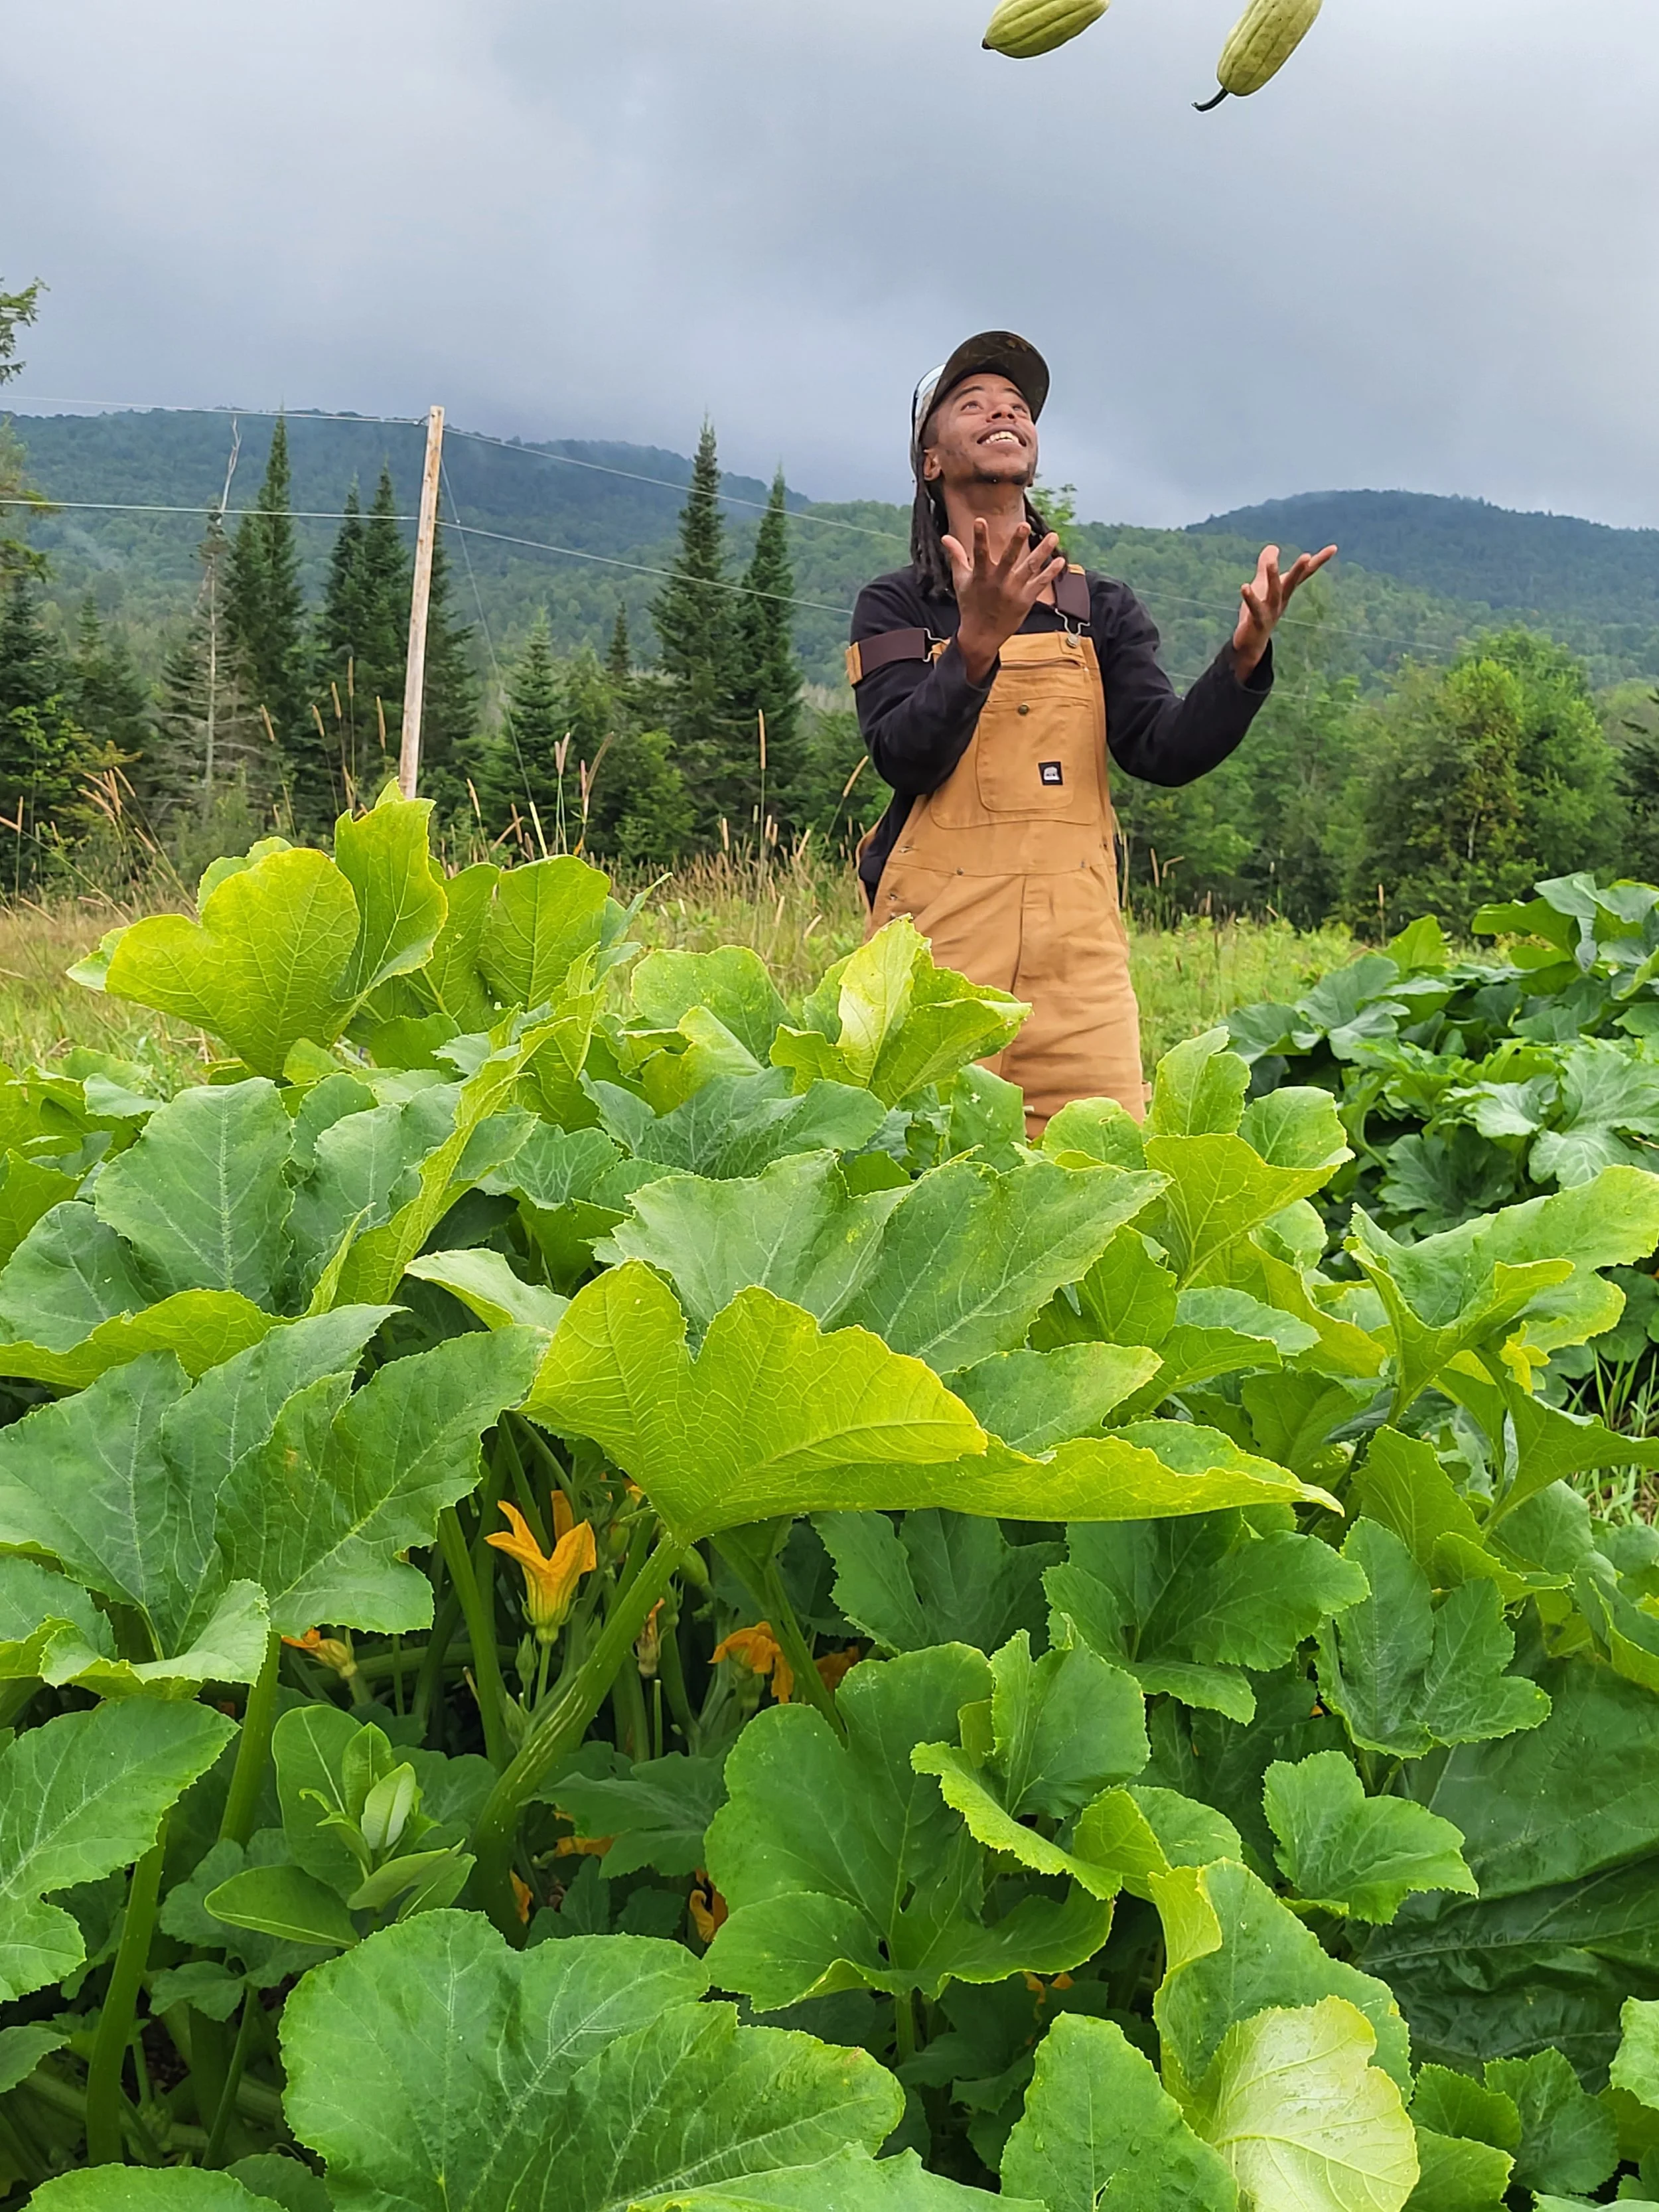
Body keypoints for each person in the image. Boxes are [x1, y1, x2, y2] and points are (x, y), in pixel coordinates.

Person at [846, 331, 1334, 1134]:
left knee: (1098, 1183)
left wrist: (1244, 657)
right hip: (934, 955)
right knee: (918, 1175)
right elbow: (903, 754)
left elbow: (1163, 750)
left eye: (1017, 407)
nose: (1003, 413)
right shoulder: (895, 607)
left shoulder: (1096, 608)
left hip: (1079, 963)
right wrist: (975, 644)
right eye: (971, 404)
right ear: (930, 461)